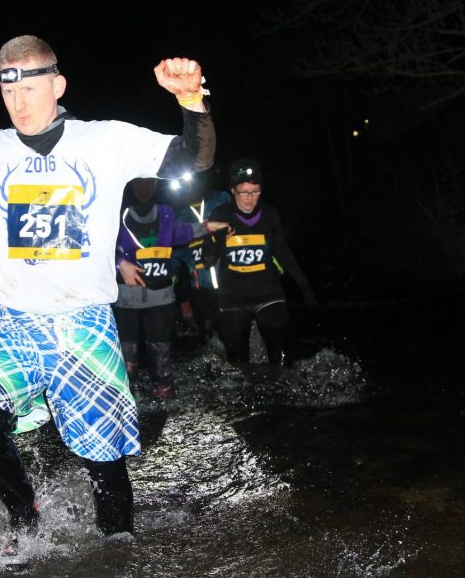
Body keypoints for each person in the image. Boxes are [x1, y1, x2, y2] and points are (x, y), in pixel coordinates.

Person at [0, 36, 215, 548]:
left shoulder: (106, 141)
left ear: (58, 85)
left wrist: (190, 102)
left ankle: (118, 544)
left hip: (85, 322)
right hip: (14, 322)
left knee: (103, 454)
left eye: (30, 88)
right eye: (9, 91)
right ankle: (25, 520)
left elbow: (195, 157)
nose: (20, 104)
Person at [114, 177, 223, 399]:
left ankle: (162, 395)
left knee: (162, 368)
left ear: (155, 185)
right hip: (126, 300)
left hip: (160, 299)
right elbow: (99, 244)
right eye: (139, 184)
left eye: (148, 183)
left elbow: (178, 233)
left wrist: (208, 227)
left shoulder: (166, 212)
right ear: (131, 186)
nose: (144, 188)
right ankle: (124, 402)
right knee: (128, 364)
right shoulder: (118, 213)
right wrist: (120, 263)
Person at [205, 158, 316, 365]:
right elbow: (206, 257)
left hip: (269, 295)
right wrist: (217, 240)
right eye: (244, 192)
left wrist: (307, 292)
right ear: (232, 191)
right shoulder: (220, 214)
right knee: (237, 365)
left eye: (255, 192)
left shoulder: (270, 214)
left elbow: (285, 254)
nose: (249, 199)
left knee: (283, 359)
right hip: (232, 300)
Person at [170, 167, 232, 343]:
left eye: (191, 180)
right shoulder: (180, 216)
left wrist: (218, 246)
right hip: (201, 289)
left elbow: (241, 226)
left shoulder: (222, 199)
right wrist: (183, 299)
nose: (188, 186)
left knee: (233, 332)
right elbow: (177, 259)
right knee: (208, 336)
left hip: (230, 281)